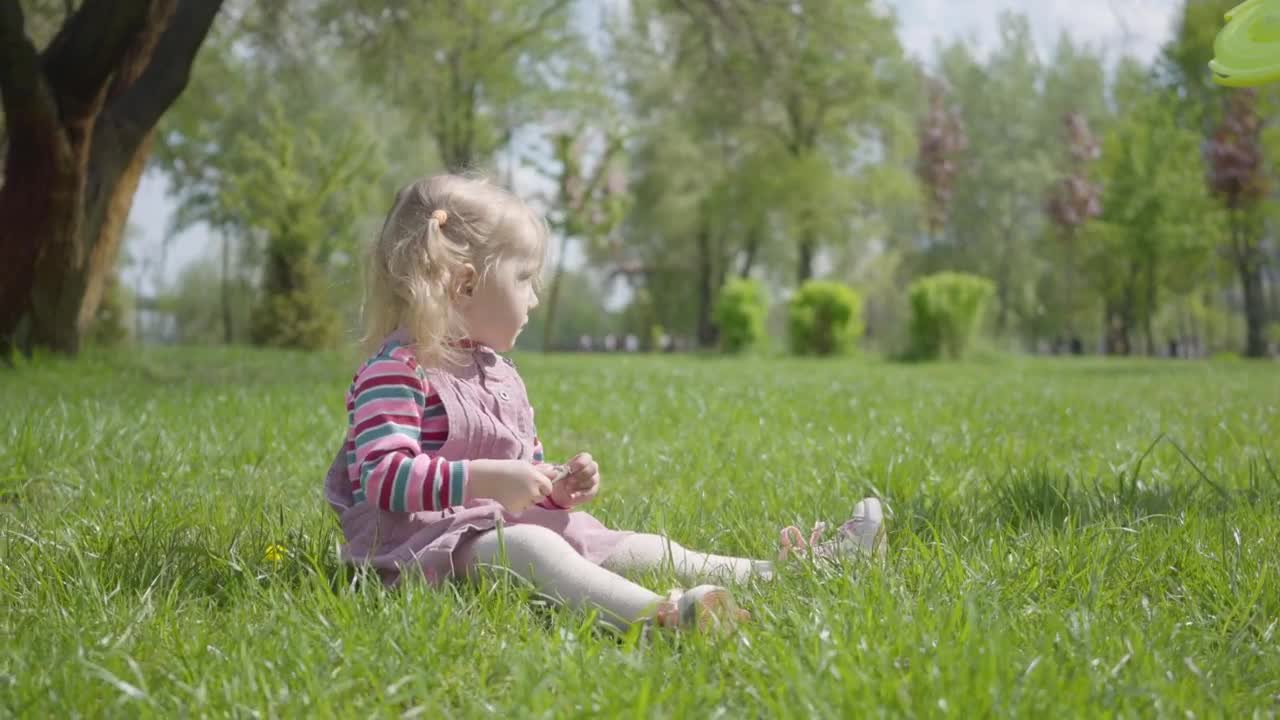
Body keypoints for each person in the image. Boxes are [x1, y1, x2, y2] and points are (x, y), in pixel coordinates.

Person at [322, 174, 887, 633]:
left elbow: (525, 476)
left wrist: (556, 489)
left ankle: (793, 571)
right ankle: (657, 617)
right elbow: (382, 476)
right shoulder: (397, 372)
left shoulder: (498, 374)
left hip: (499, 525)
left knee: (637, 544)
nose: (536, 298)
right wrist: (488, 479)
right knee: (531, 552)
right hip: (420, 552)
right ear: (466, 286)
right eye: (525, 280)